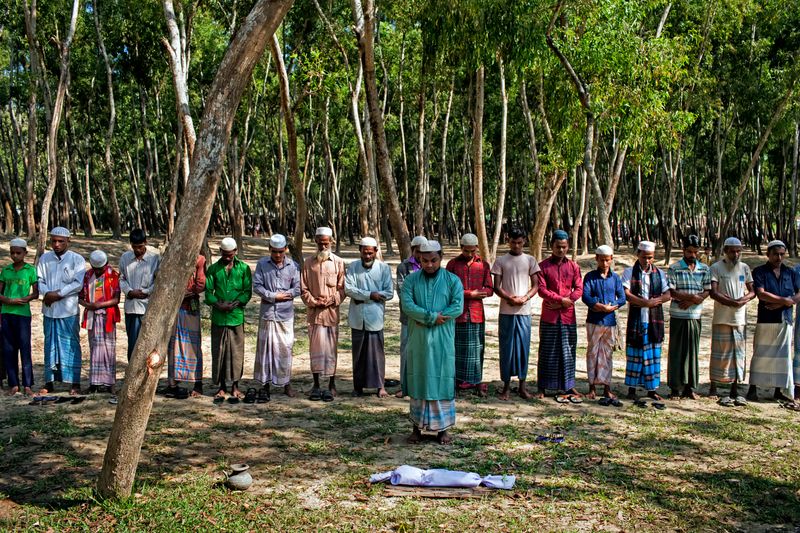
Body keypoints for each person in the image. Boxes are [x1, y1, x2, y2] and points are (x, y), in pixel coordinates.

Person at [401, 241, 463, 445]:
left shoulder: (453, 280)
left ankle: (442, 430)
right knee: (418, 378)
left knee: (442, 378)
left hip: (442, 339)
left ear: (441, 258)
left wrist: (439, 317)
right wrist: (430, 317)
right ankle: (416, 429)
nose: (429, 265)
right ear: (419, 258)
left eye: (433, 260)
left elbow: (457, 306)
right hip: (418, 339)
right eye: (425, 260)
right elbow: (407, 305)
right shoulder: (411, 280)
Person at [747, 240, 800, 406]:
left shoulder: (789, 272)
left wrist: (785, 302)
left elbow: (799, 294)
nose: (779, 257)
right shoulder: (760, 271)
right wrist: (784, 300)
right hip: (766, 319)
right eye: (775, 254)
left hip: (784, 318)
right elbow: (761, 294)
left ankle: (779, 390)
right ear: (768, 254)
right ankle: (753, 388)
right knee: (760, 354)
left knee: (782, 357)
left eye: (782, 254)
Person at [491, 228, 540, 400]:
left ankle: (522, 386)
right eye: (513, 242)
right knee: (506, 348)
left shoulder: (530, 260)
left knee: (523, 348)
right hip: (506, 311)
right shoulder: (500, 261)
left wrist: (524, 297)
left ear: (525, 241)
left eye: (520, 242)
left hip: (524, 312)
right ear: (508, 240)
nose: (517, 245)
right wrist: (509, 297)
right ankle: (505, 386)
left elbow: (536, 285)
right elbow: (496, 286)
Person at [37, 227, 85, 395]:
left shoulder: (76, 260)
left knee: (71, 344)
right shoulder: (44, 258)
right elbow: (39, 280)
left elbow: (78, 283)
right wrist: (47, 293)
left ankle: (74, 382)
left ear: (68, 241)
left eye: (60, 241)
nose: (56, 245)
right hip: (50, 310)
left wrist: (58, 294)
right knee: (50, 344)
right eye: (54, 241)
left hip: (68, 309)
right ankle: (49, 381)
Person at [536, 230, 583, 399]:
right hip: (549, 316)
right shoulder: (543, 266)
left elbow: (579, 289)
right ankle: (543, 387)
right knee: (547, 351)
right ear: (551, 246)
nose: (561, 250)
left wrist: (566, 300)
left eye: (564, 247)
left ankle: (568, 386)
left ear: (568, 246)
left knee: (568, 350)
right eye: (558, 247)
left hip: (568, 315)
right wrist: (560, 299)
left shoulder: (574, 267)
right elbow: (541, 289)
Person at [253, 234, 300, 400]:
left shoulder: (293, 266)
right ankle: (265, 385)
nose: (278, 255)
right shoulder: (262, 264)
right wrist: (273, 296)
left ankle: (286, 384)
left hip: (285, 314)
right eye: (274, 252)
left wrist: (285, 295)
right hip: (267, 313)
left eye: (280, 251)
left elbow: (298, 288)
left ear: (285, 249)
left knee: (285, 349)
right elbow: (257, 286)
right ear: (269, 250)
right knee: (265, 350)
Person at [301, 227, 346, 402]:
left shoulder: (339, 262)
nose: (323, 246)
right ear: (316, 242)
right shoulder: (308, 263)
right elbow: (303, 289)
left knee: (331, 350)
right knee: (315, 350)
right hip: (314, 314)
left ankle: (331, 384)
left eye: (326, 243)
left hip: (331, 313)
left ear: (331, 242)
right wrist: (314, 301)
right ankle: (317, 384)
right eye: (320, 243)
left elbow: (342, 289)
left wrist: (331, 300)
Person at [345, 237, 394, 397]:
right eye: (364, 253)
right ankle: (357, 387)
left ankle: (380, 386)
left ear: (375, 252)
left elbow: (389, 293)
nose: (367, 256)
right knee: (358, 354)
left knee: (376, 354)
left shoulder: (384, 268)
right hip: (358, 317)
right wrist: (370, 295)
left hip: (375, 317)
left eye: (370, 253)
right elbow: (348, 289)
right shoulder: (352, 267)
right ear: (360, 251)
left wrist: (365, 296)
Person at [708, 237, 755, 405]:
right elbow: (713, 292)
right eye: (732, 251)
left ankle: (734, 388)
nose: (735, 254)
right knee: (719, 353)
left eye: (738, 251)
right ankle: (714, 386)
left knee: (738, 354)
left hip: (740, 318)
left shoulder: (744, 268)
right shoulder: (716, 267)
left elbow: (752, 290)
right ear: (725, 251)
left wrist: (743, 300)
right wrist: (730, 302)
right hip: (722, 317)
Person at [622, 241, 671, 401]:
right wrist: (644, 302)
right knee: (635, 354)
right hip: (637, 319)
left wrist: (652, 303)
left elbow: (667, 294)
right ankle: (632, 389)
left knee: (652, 355)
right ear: (638, 255)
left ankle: (652, 390)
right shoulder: (629, 272)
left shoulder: (660, 274)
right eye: (644, 257)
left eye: (650, 257)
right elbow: (626, 293)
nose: (647, 261)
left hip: (653, 321)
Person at [205, 237, 252, 402]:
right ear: (220, 252)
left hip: (236, 316)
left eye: (229, 255)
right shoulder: (212, 269)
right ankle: (222, 386)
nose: (227, 258)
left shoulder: (244, 269)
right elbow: (208, 292)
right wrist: (218, 304)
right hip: (219, 317)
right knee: (219, 352)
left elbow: (247, 291)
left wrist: (237, 302)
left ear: (235, 252)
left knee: (236, 352)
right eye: (224, 255)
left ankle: (235, 386)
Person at [446, 233, 493, 396]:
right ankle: (458, 380)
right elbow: (448, 289)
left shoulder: (484, 265)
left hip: (477, 313)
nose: (470, 254)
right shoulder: (452, 265)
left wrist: (481, 293)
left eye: (473, 251)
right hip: (458, 313)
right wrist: (469, 294)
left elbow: (490, 288)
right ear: (461, 248)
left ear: (477, 249)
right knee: (458, 348)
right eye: (467, 251)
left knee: (477, 348)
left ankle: (475, 380)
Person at [666, 235, 712, 400]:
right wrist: (690, 298)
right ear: (683, 250)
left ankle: (690, 387)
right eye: (689, 251)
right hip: (678, 315)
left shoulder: (704, 269)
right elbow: (671, 291)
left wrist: (694, 300)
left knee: (692, 351)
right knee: (677, 351)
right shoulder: (674, 268)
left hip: (695, 315)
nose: (692, 255)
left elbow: (707, 290)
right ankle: (675, 388)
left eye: (695, 251)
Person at [581, 245, 626, 399]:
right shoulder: (590, 277)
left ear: (611, 259)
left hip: (610, 321)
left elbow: (622, 298)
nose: (605, 264)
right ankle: (591, 387)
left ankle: (607, 386)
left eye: (607, 260)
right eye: (602, 260)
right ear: (596, 259)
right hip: (594, 320)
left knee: (607, 354)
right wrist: (598, 305)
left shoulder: (615, 278)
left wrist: (613, 306)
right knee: (592, 352)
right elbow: (585, 296)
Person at [79, 250, 121, 395]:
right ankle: (94, 383)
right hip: (92, 316)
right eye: (95, 269)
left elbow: (116, 299)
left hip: (107, 316)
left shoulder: (113, 276)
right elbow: (80, 297)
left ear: (106, 264)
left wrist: (99, 305)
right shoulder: (87, 275)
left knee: (109, 350)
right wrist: (88, 305)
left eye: (100, 269)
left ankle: (110, 383)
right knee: (95, 348)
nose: (97, 271)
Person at [0, 238, 39, 396]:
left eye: (18, 253)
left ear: (25, 253)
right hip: (6, 313)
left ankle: (28, 384)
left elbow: (36, 292)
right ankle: (13, 384)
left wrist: (26, 299)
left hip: (23, 314)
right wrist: (9, 300)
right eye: (12, 253)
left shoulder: (30, 270)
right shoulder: (6, 270)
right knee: (9, 349)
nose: (15, 255)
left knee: (25, 348)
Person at [166, 254, 206, 398]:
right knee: (173, 345)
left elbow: (201, 284)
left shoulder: (199, 260)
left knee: (193, 345)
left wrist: (187, 292)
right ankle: (173, 383)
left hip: (189, 307)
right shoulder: (173, 256)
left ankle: (197, 383)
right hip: (174, 308)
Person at [119, 228, 161, 360]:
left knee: (147, 341)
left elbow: (159, 281)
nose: (137, 250)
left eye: (140, 247)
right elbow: (121, 278)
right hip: (131, 307)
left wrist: (145, 292)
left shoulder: (154, 259)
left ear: (145, 243)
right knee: (132, 341)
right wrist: (130, 291)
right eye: (134, 247)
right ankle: (131, 368)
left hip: (147, 306)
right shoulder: (125, 258)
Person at [395, 235, 427, 397]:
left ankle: (422, 384)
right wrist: (416, 310)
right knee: (407, 351)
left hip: (427, 319)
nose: (421, 255)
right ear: (413, 250)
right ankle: (404, 385)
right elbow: (402, 292)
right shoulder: (404, 267)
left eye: (424, 251)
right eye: (418, 251)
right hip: (408, 317)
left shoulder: (431, 266)